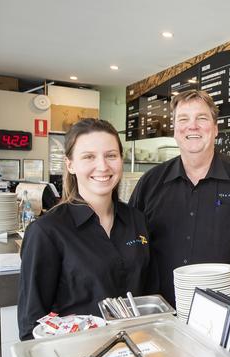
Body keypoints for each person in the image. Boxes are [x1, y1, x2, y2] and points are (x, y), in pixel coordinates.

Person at [130, 90, 230, 306]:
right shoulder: (150, 182)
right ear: (175, 130)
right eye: (183, 119)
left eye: (201, 118)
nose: (192, 126)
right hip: (160, 312)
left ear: (215, 129)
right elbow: (129, 244)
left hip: (223, 312)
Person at [18, 119, 155, 340]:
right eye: (88, 156)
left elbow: (148, 293)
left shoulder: (136, 220)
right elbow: (31, 326)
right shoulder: (47, 231)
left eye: (111, 155)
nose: (102, 166)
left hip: (134, 350)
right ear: (70, 164)